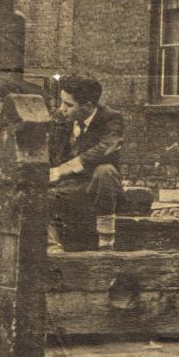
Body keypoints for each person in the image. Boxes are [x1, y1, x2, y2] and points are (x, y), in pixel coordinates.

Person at [48, 73, 124, 253]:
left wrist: (65, 169)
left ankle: (106, 243)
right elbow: (52, 154)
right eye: (61, 102)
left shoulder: (111, 119)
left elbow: (107, 147)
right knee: (41, 196)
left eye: (68, 104)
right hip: (68, 188)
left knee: (106, 171)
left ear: (88, 106)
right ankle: (52, 247)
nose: (61, 108)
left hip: (97, 189)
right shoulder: (61, 119)